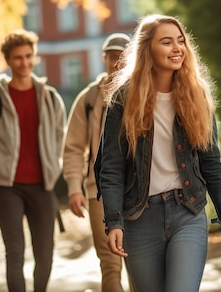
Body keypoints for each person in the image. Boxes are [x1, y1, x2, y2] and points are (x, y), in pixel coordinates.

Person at [97, 14, 221, 292]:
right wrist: (113, 221)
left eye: (180, 41)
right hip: (139, 217)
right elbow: (111, 167)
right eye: (166, 42)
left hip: (187, 210)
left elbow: (211, 163)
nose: (177, 48)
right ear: (147, 48)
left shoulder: (196, 96)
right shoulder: (123, 100)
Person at [0, 29, 66, 292]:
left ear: (34, 57)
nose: (24, 63)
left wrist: (53, 165)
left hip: (42, 187)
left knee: (45, 256)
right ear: (8, 60)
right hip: (7, 187)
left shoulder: (50, 98)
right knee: (15, 253)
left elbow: (61, 137)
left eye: (28, 56)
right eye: (18, 58)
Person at [62, 32, 132, 292]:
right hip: (98, 192)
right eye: (113, 57)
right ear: (104, 58)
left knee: (139, 262)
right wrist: (73, 187)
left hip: (140, 191)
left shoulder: (143, 92)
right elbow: (72, 148)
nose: (118, 63)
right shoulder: (89, 99)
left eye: (123, 58)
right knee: (110, 262)